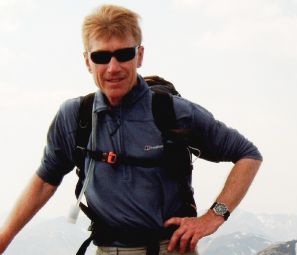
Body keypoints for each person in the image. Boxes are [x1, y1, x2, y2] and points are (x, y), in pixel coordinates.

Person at [0, 4, 262, 255]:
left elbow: (247, 155)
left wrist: (213, 216)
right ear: (87, 61)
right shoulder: (75, 117)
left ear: (140, 55)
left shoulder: (172, 111)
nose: (113, 68)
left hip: (170, 250)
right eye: (101, 56)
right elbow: (46, 180)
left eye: (123, 54)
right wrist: (4, 239)